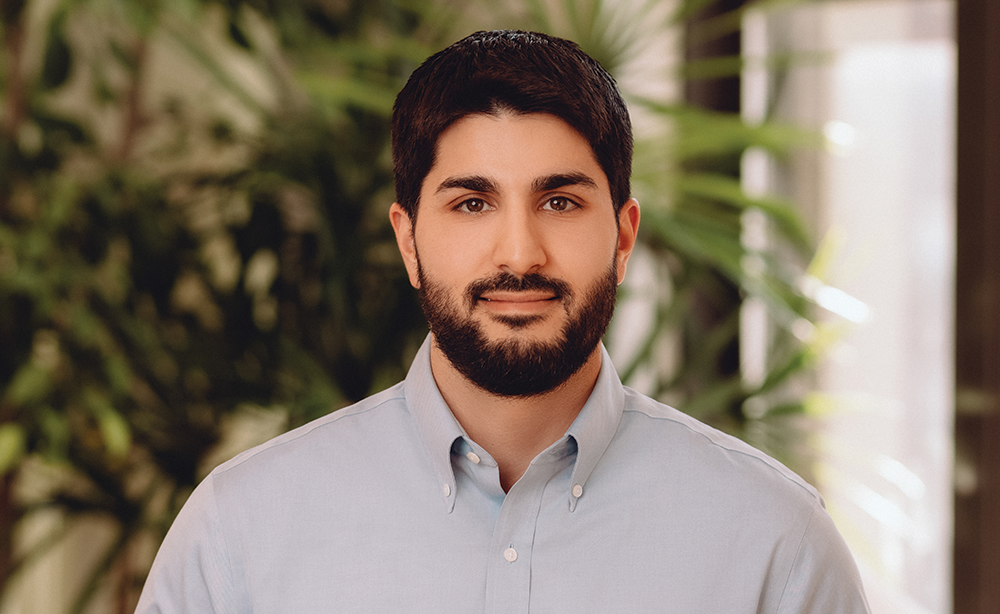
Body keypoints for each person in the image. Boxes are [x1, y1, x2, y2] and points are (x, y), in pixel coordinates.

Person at [136, 30, 870, 613]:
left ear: (622, 235)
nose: (519, 252)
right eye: (471, 203)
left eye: (559, 201)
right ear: (408, 239)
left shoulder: (777, 542)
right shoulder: (238, 536)